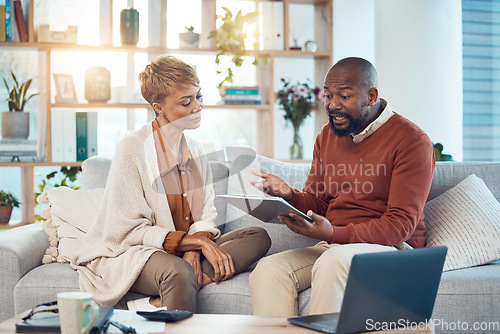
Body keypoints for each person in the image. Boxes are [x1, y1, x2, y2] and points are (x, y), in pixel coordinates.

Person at [71, 55, 271, 312]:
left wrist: (193, 251)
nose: (198, 107)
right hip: (134, 252)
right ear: (159, 107)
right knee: (178, 273)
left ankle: (157, 302)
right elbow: (130, 231)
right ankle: (176, 285)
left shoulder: (197, 150)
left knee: (257, 237)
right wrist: (198, 243)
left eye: (199, 97)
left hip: (180, 252)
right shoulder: (132, 148)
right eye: (186, 102)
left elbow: (207, 214)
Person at [248, 57, 435, 316]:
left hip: (391, 249)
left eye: (344, 96)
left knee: (332, 262)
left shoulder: (412, 141)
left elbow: (400, 225)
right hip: (336, 246)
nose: (332, 105)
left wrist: (334, 233)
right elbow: (319, 202)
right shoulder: (327, 135)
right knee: (269, 270)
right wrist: (289, 195)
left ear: (371, 96)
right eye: (328, 95)